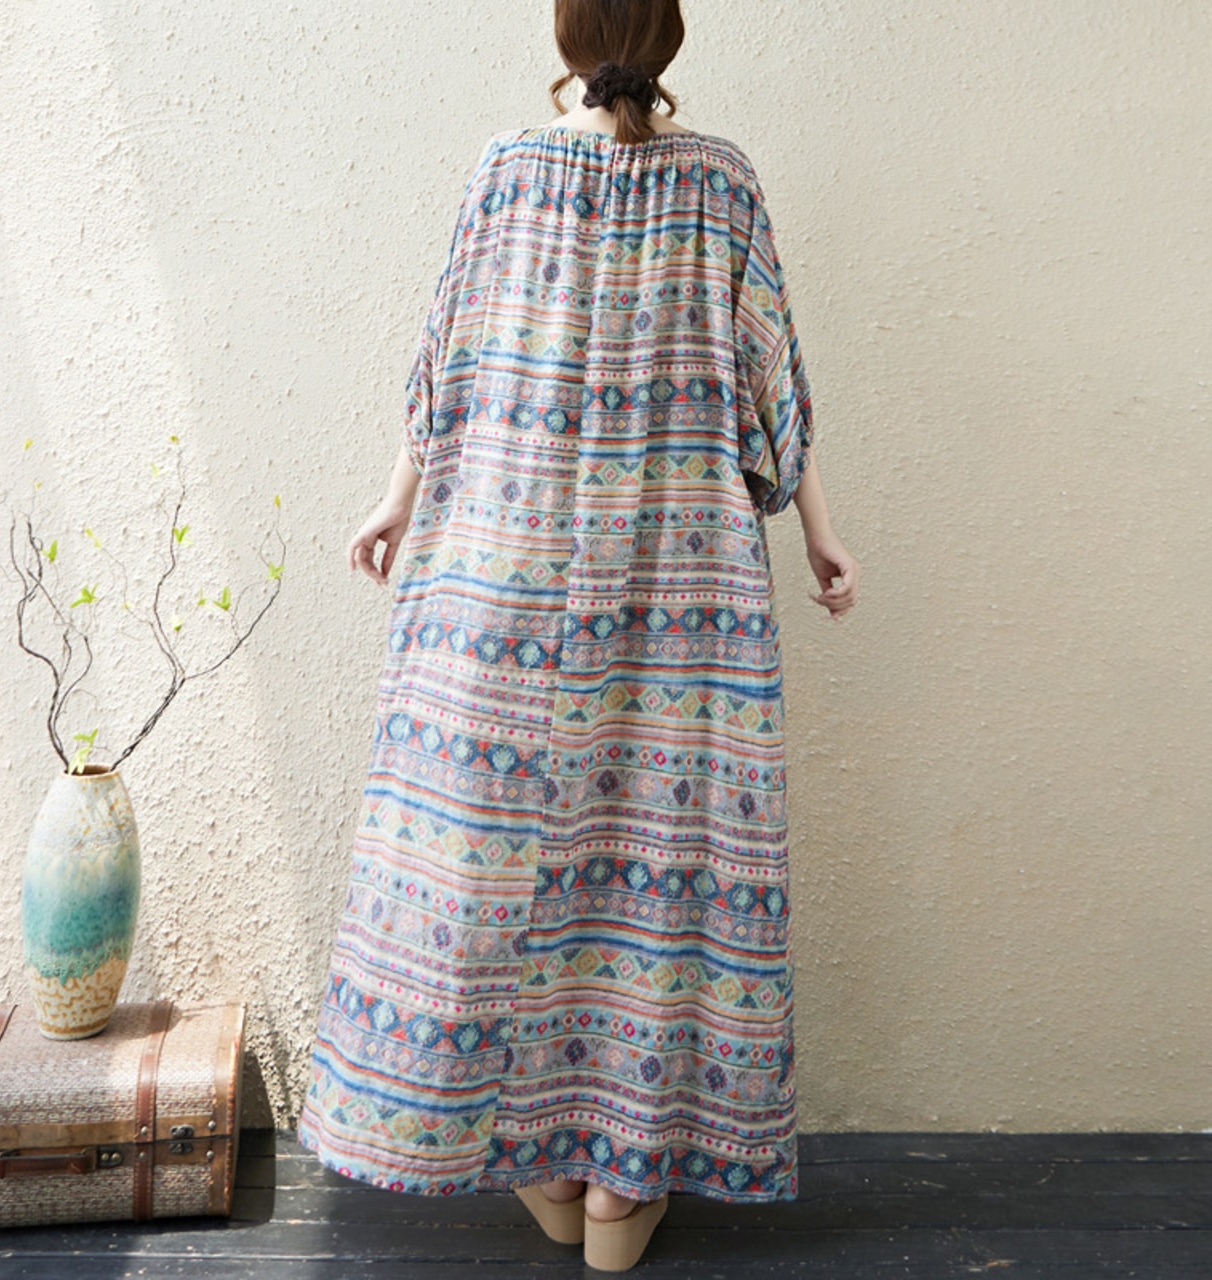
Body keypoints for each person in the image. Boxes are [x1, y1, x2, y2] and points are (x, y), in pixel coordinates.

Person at [297, 0, 860, 1270]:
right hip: (684, 584)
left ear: (564, 39)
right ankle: (618, 1179)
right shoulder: (722, 181)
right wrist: (820, 533)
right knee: (656, 863)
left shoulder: (506, 170)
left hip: (510, 569)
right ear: (669, 40)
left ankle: (547, 1160)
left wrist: (395, 501)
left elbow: (446, 362)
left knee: (500, 863)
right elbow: (770, 379)